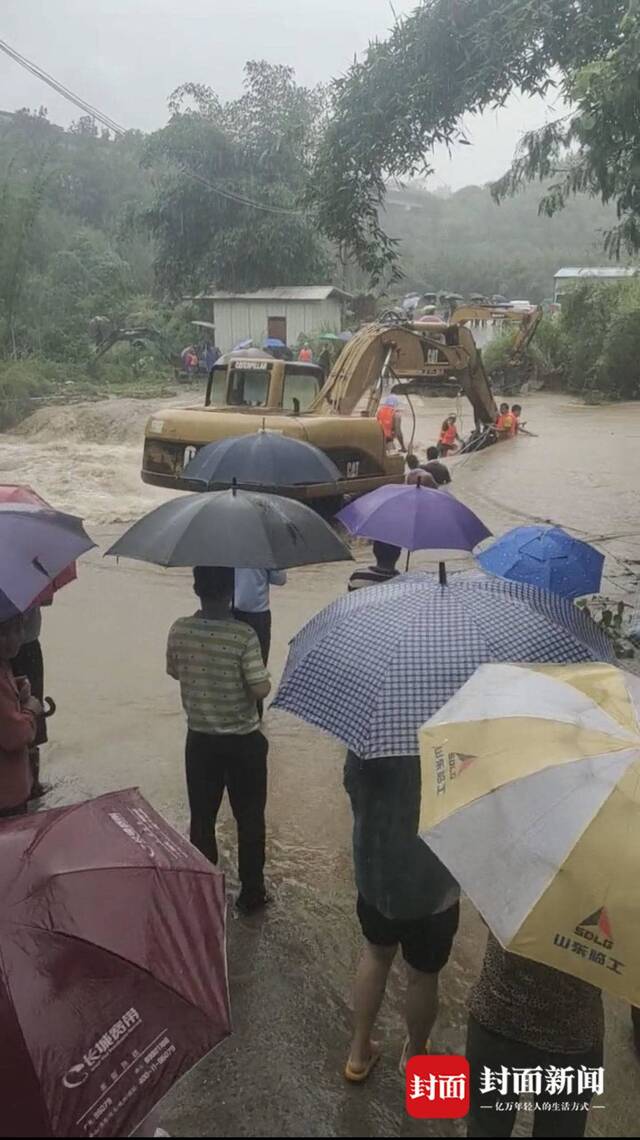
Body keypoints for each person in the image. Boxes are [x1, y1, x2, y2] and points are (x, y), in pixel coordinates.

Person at [343, 752, 460, 1081]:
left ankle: (358, 1053)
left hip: (377, 875)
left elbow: (352, 786)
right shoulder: (455, 733)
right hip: (434, 886)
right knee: (423, 976)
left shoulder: (371, 735)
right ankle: (416, 1056)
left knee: (376, 957)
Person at [166, 566, 271, 915]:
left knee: (203, 817)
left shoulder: (180, 629)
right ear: (230, 592)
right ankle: (252, 893)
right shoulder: (243, 635)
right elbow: (259, 688)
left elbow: (174, 670)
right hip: (243, 741)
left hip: (199, 740)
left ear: (196, 588)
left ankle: (206, 890)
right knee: (250, 818)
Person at [466, 931, 604, 1137]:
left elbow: (489, 915)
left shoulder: (518, 896)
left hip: (500, 1015)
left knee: (486, 1127)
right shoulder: (620, 899)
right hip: (574, 1034)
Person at [0, 613, 41, 818]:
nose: (14, 638)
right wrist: (31, 710)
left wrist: (14, 688)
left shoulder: (4, 665)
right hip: (6, 796)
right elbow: (13, 736)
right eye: (3, 633)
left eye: (17, 630)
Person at [233, 568, 287, 717]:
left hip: (231, 613)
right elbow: (280, 579)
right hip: (258, 618)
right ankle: (256, 718)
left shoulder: (227, 547)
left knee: (233, 672)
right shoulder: (266, 550)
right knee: (257, 672)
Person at [11, 604, 48, 800]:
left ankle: (33, 783)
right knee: (30, 711)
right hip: (26, 646)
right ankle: (32, 785)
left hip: (26, 646)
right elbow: (46, 598)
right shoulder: (28, 577)